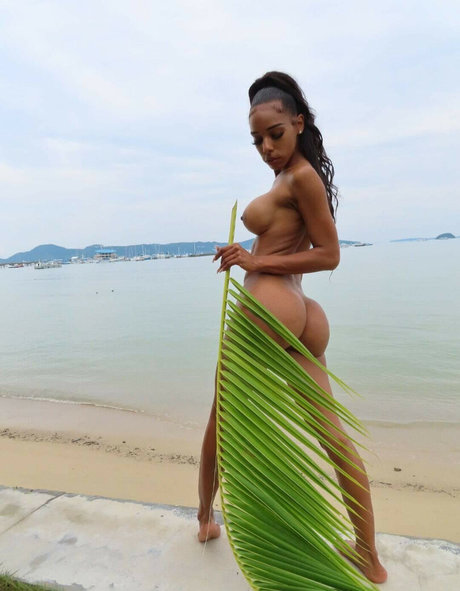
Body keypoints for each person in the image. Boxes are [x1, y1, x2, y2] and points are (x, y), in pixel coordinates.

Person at [197, 71, 388, 585]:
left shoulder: (301, 177)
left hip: (272, 307)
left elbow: (329, 254)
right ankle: (369, 558)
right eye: (257, 139)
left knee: (223, 417)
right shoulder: (291, 177)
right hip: (304, 314)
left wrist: (253, 262)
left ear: (299, 123)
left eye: (275, 134)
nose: (266, 147)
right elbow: (291, 243)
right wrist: (251, 254)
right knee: (331, 434)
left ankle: (204, 519)